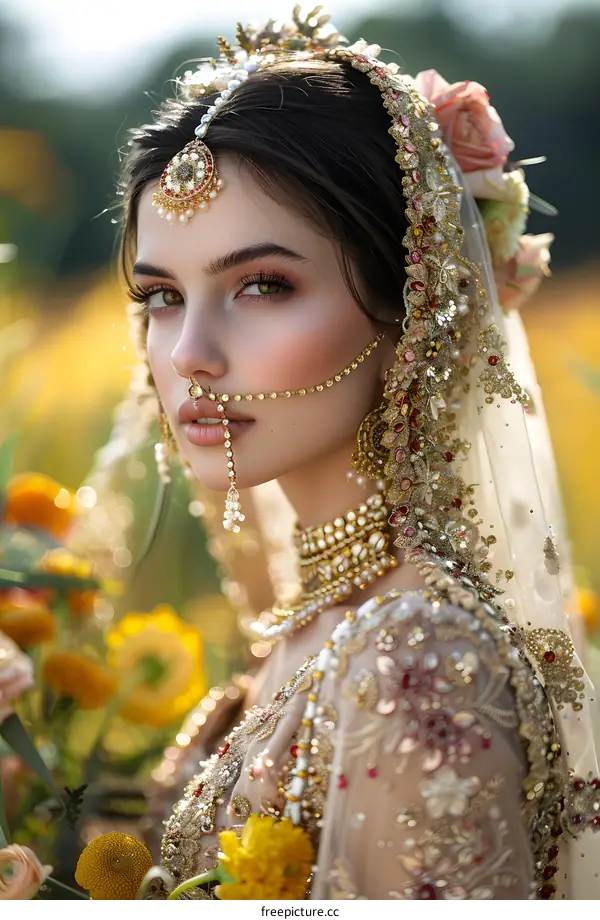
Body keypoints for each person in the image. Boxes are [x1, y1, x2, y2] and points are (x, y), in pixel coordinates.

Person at [72, 9, 600, 900]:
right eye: (162, 296)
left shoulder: (417, 662)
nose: (189, 353)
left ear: (412, 306)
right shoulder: (314, 617)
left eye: (262, 285)